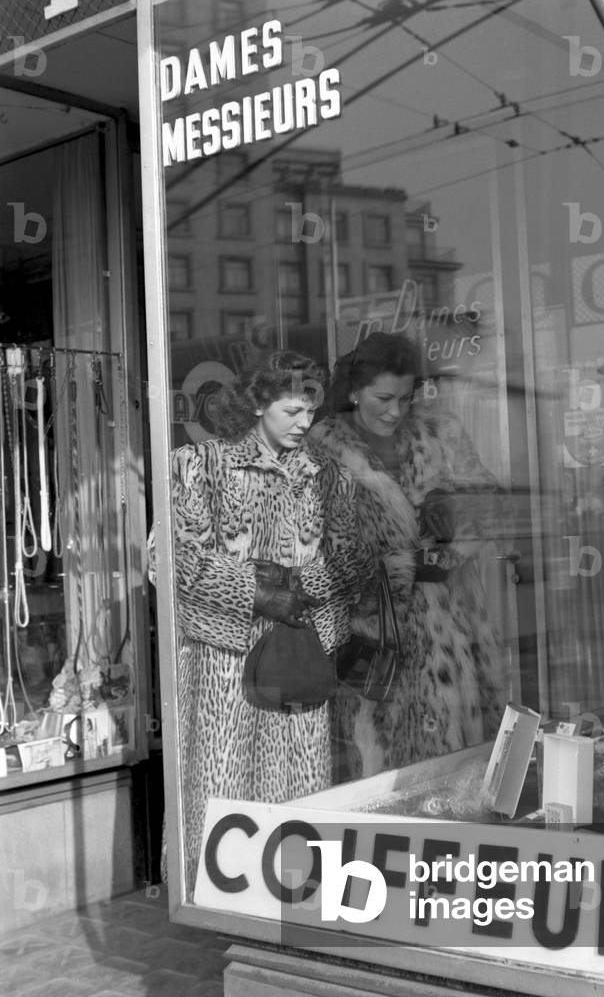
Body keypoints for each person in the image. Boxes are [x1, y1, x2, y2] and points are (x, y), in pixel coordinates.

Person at [151, 350, 368, 893]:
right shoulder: (198, 465)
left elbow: (355, 560)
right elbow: (169, 561)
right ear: (257, 405)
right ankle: (218, 894)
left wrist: (300, 586)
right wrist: (255, 588)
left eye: (311, 411)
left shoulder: (326, 475)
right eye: (293, 409)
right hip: (225, 661)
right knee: (223, 782)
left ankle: (293, 890)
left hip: (299, 653)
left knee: (300, 786)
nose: (305, 423)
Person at [309, 331, 507, 779]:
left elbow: (492, 500)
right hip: (378, 645)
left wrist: (453, 502)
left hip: (454, 637)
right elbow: (319, 556)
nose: (395, 410)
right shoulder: (323, 449)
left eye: (405, 396)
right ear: (355, 390)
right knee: (388, 779)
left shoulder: (439, 430)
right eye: (383, 397)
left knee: (462, 776)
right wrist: (407, 568)